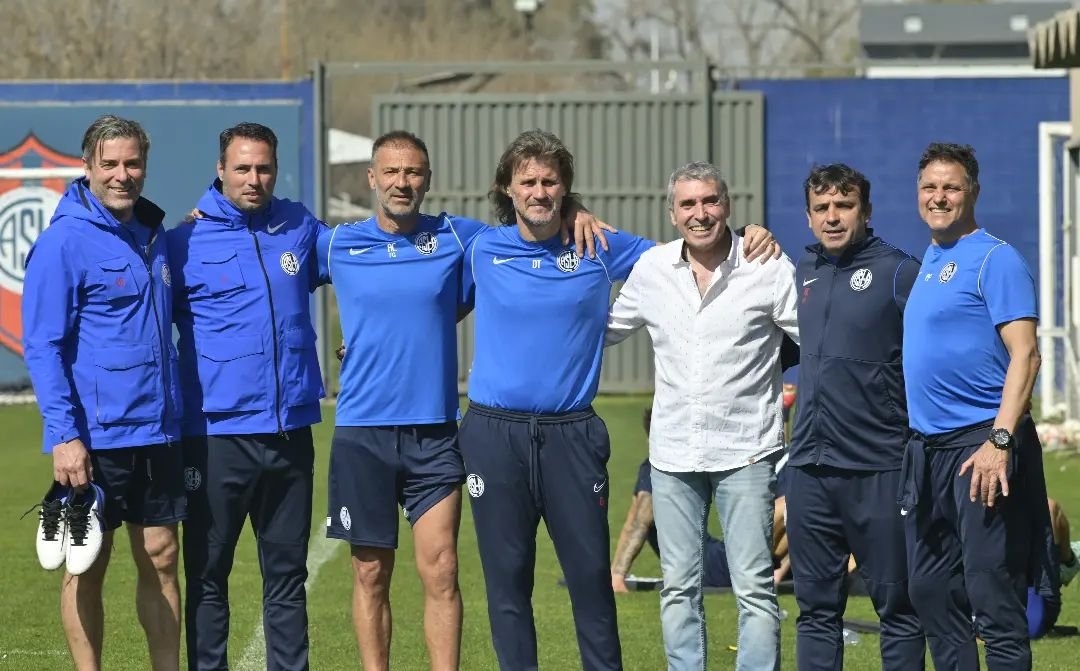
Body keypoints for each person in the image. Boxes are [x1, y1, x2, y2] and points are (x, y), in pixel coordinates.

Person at [316, 129, 613, 670]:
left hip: (435, 432)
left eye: (413, 173)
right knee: (369, 573)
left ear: (427, 180)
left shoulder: (463, 238)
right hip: (362, 431)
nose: (401, 182)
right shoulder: (335, 243)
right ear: (371, 178)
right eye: (391, 172)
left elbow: (534, 219)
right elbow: (267, 254)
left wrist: (576, 208)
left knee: (443, 568)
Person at [605, 160, 798, 671]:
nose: (701, 213)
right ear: (672, 214)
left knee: (755, 589)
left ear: (727, 205)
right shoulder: (651, 270)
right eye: (688, 204)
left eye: (710, 201)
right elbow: (600, 331)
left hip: (747, 451)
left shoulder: (767, 266)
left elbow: (817, 340)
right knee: (678, 588)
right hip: (673, 454)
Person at [22, 114, 185, 670]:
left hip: (158, 429)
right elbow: (41, 346)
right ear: (87, 165)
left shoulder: (155, 234)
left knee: (163, 557)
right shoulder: (63, 242)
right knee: (85, 563)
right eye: (110, 164)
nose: (122, 175)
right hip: (93, 438)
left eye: (132, 163)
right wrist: (65, 436)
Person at [167, 122, 325, 671]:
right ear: (220, 169)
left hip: (289, 435)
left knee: (287, 578)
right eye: (242, 168)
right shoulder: (181, 243)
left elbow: (367, 261)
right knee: (207, 576)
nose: (253, 179)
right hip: (215, 440)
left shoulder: (300, 225)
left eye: (263, 168)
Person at [898, 142, 1057, 670]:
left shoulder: (996, 258)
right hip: (928, 454)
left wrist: (1001, 440)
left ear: (972, 193)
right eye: (929, 187)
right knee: (932, 594)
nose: (938, 196)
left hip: (981, 448)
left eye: (951, 186)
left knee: (993, 600)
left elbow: (1027, 355)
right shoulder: (929, 263)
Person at [785, 163, 926, 670]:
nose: (833, 217)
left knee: (899, 609)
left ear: (865, 212)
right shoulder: (802, 270)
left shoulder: (899, 272)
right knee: (815, 610)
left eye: (844, 206)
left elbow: (935, 354)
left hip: (880, 468)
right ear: (807, 217)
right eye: (821, 208)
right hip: (809, 469)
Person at [611, 410, 791, 593]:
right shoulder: (657, 468)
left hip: (707, 563)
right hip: (708, 568)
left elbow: (634, 520)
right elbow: (639, 520)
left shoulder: (665, 467)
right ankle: (774, 571)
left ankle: (775, 571)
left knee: (794, 505)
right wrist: (617, 576)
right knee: (791, 502)